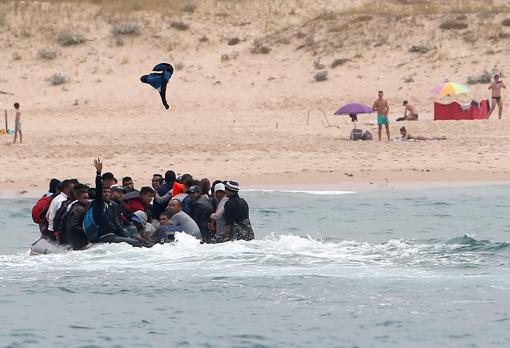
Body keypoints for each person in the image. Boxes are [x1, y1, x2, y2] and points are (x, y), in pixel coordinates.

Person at [90, 158, 141, 247]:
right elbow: (98, 189)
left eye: (108, 192)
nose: (107, 193)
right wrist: (98, 174)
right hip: (104, 236)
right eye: (104, 192)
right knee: (135, 243)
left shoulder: (112, 205)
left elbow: (117, 223)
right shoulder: (99, 204)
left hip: (113, 235)